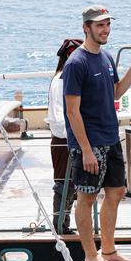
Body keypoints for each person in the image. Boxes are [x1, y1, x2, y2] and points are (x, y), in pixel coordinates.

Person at [63, 4, 131, 261]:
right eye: (100, 25)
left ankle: (108, 251)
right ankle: (90, 256)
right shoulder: (76, 63)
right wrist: (86, 150)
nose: (106, 29)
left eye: (108, 24)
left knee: (117, 192)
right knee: (86, 198)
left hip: (111, 138)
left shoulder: (107, 57)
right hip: (89, 143)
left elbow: (116, 92)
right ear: (86, 28)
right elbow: (72, 111)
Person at [47, 38, 82, 234]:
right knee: (64, 183)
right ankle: (59, 225)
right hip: (65, 139)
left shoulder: (70, 78)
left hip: (73, 137)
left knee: (73, 184)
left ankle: (64, 223)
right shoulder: (61, 80)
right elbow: (61, 116)